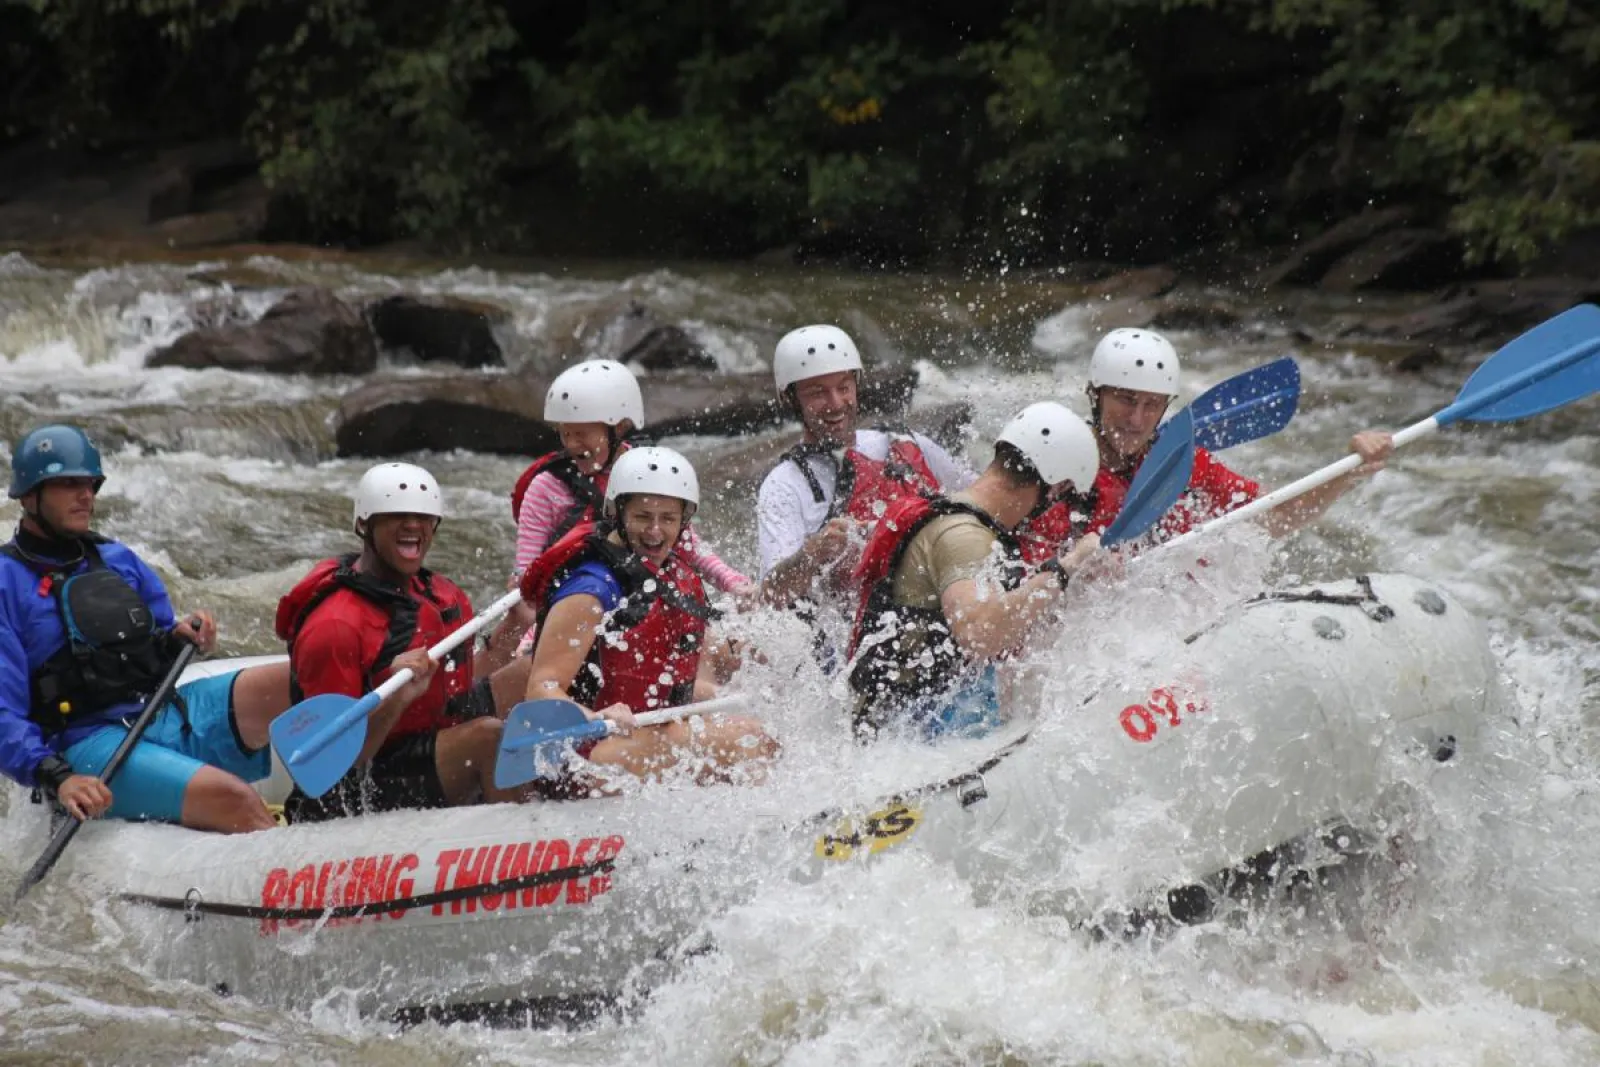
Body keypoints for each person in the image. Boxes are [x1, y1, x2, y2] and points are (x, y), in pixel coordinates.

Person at [0, 425, 286, 832]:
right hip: (88, 749)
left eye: (91, 483)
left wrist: (180, 638)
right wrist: (57, 777)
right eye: (68, 484)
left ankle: (337, 807)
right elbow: (2, 713)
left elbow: (156, 647)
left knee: (299, 681)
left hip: (159, 716)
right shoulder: (6, 583)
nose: (86, 495)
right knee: (236, 798)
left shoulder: (116, 559)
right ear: (29, 495)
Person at [276, 462, 537, 822]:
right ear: (364, 525)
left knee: (530, 672)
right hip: (360, 780)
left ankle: (570, 798)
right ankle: (524, 849)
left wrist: (517, 623)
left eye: (423, 516)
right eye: (396, 515)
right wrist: (397, 698)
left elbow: (459, 686)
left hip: (425, 740)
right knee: (488, 738)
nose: (413, 525)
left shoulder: (439, 595)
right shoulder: (335, 626)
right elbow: (334, 761)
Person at [1018, 328, 1396, 562]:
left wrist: (1350, 470)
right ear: (1095, 395)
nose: (1137, 419)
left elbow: (1277, 517)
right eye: (1126, 399)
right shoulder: (1058, 469)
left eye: (1151, 405)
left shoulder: (1182, 463)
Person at [519, 446, 777, 785]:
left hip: (642, 733)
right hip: (584, 753)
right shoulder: (591, 589)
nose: (655, 531)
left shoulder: (669, 575)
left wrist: (753, 655)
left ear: (683, 521)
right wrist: (595, 716)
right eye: (643, 517)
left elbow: (668, 669)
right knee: (751, 740)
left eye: (668, 518)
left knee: (761, 731)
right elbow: (541, 690)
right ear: (618, 513)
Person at [847, 402, 1103, 741]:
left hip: (919, 732)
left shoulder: (964, 520)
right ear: (1054, 486)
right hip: (909, 743)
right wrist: (1067, 567)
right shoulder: (964, 537)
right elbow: (980, 633)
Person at [756, 324, 974, 609]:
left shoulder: (904, 443)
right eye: (817, 392)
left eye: (844, 387)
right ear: (790, 398)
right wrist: (813, 552)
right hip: (857, 628)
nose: (836, 404)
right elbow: (772, 596)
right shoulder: (783, 485)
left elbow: (981, 498)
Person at [512, 359, 752, 597]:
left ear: (619, 427)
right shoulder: (546, 487)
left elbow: (689, 547)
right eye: (565, 433)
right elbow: (526, 573)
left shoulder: (654, 471)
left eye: (582, 434)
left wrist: (732, 583)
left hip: (641, 596)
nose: (572, 444)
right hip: (576, 597)